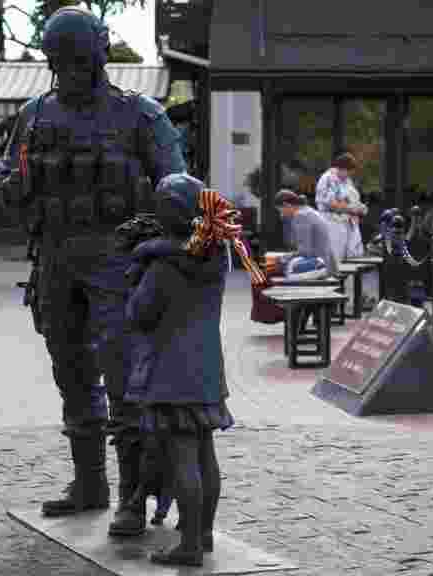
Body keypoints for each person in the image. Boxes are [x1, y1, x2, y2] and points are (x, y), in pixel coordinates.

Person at [2, 6, 187, 534]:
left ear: (101, 54)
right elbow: (8, 166)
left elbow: (179, 188)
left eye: (82, 60)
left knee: (124, 378)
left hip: (118, 264)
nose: (75, 72)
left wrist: (162, 251)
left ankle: (132, 496)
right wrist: (9, 182)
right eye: (64, 63)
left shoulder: (141, 114)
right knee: (71, 372)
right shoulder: (35, 113)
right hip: (56, 261)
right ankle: (90, 483)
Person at [124, 174, 263, 567]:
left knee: (182, 458)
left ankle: (188, 546)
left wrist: (134, 274)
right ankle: (202, 534)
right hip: (206, 369)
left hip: (170, 372)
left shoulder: (162, 267)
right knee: (205, 456)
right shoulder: (216, 255)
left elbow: (139, 314)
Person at [315, 152, 367, 260]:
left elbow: (351, 199)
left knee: (349, 257)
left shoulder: (346, 180)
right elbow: (331, 204)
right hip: (330, 222)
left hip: (345, 224)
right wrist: (351, 209)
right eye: (348, 171)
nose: (349, 175)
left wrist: (360, 208)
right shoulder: (328, 178)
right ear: (342, 168)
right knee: (334, 257)